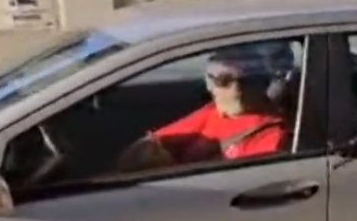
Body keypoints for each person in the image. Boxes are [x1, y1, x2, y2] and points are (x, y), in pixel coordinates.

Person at [117, 46, 287, 171]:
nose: (237, 90)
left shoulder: (273, 135)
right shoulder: (212, 112)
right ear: (211, 86)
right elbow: (150, 145)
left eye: (248, 80)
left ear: (263, 83)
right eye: (224, 81)